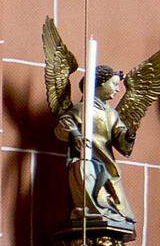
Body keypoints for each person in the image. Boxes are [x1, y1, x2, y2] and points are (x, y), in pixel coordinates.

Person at [54, 65, 136, 223]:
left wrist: (129, 135)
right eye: (114, 84)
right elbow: (63, 124)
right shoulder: (82, 109)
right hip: (87, 160)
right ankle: (93, 211)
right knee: (85, 173)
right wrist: (76, 134)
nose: (118, 89)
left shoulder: (112, 114)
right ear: (100, 84)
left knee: (115, 201)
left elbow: (121, 140)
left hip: (108, 164)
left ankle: (108, 212)